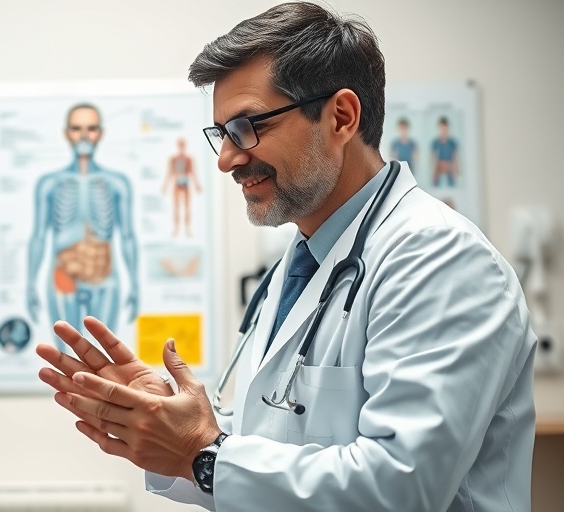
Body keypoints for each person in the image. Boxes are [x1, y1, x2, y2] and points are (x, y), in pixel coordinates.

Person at [36, 3, 535, 511]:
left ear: (341, 117)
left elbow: (401, 488)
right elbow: (277, 439)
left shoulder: (440, 261)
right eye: (222, 134)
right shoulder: (299, 267)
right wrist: (172, 421)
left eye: (248, 127)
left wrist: (202, 453)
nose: (227, 159)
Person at [26, 103, 139, 352]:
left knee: (105, 356)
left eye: (91, 128)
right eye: (77, 129)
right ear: (67, 133)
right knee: (66, 357)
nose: (85, 135)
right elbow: (38, 237)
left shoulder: (117, 183)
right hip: (63, 276)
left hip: (105, 277)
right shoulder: (50, 184)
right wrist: (30, 285)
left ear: (100, 133)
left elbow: (128, 236)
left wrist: (134, 284)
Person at [162, 137, 202, 237]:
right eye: (180, 145)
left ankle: (187, 228)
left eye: (182, 145)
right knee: (176, 207)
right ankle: (176, 228)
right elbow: (169, 173)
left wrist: (197, 184)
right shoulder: (173, 159)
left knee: (187, 207)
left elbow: (192, 172)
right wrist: (165, 185)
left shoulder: (188, 159)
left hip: (185, 183)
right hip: (176, 183)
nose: (181, 147)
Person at [432, 116, 460, 187]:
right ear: (439, 128)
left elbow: (455, 156)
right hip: (439, 166)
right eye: (441, 128)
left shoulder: (452, 143)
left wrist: (456, 169)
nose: (443, 131)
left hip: (449, 166)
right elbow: (433, 157)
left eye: (445, 128)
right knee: (436, 186)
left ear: (448, 128)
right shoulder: (435, 143)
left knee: (452, 185)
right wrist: (434, 172)